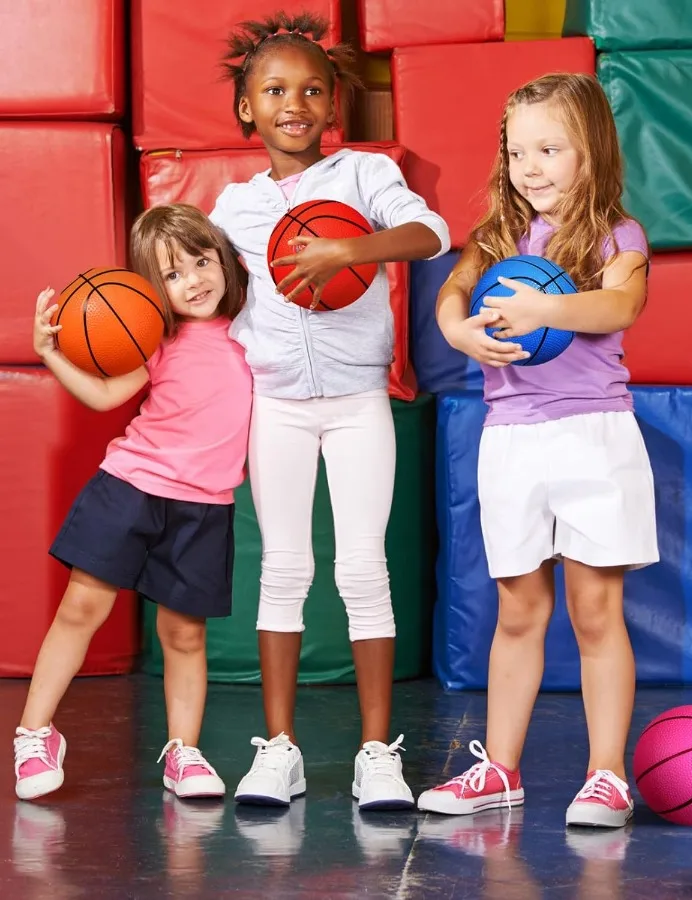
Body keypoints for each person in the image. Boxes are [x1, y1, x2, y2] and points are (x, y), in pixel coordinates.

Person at [212, 11, 450, 809]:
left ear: (333, 103)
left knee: (361, 569)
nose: (295, 103)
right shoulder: (234, 208)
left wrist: (351, 249)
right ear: (247, 107)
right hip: (275, 406)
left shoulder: (361, 178)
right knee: (282, 572)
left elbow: (431, 233)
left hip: (356, 403)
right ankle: (277, 752)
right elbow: (198, 290)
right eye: (275, 89)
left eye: (313, 89)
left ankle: (376, 754)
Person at [417, 73, 659, 828]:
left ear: (590, 151)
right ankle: (500, 770)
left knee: (596, 611)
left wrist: (542, 308)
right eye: (518, 150)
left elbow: (619, 304)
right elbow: (450, 295)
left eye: (550, 148)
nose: (531, 166)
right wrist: (457, 330)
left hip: (593, 437)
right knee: (518, 611)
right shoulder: (496, 236)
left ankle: (607, 775)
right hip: (511, 439)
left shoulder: (619, 236)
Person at [13, 204, 252, 801]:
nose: (194, 280)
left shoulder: (255, 333)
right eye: (173, 275)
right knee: (80, 611)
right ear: (153, 289)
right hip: (131, 486)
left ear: (223, 259)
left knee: (185, 635)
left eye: (202, 262)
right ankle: (35, 733)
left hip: (205, 505)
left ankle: (183, 753)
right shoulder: (155, 337)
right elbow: (102, 397)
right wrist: (50, 353)